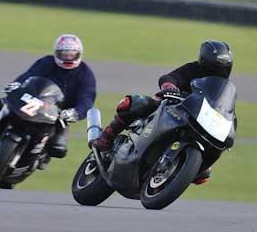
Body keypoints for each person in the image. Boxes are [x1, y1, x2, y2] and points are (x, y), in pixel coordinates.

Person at [90, 39, 235, 185]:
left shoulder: (223, 88)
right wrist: (169, 86)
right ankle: (106, 137)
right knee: (136, 104)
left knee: (204, 172)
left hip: (197, 119)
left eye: (224, 67)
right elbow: (171, 77)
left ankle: (182, 168)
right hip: (174, 104)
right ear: (205, 61)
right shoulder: (193, 69)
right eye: (216, 67)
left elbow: (225, 107)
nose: (220, 71)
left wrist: (230, 123)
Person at [0, 34, 96, 163]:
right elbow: (29, 75)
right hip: (34, 101)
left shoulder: (86, 74)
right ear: (56, 53)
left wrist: (76, 112)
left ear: (79, 54)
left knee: (58, 148)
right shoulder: (46, 62)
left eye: (72, 54)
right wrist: (16, 84)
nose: (68, 58)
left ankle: (41, 157)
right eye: (64, 54)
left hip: (60, 114)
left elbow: (87, 98)